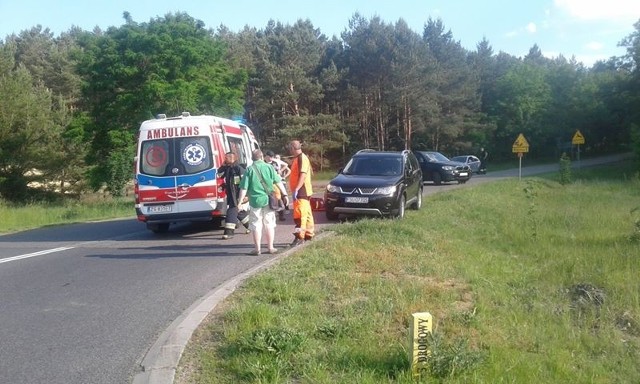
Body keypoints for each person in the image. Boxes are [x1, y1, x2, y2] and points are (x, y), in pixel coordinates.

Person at [237, 149, 285, 255]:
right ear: (262, 157)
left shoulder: (249, 170)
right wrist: (284, 194)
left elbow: (243, 188)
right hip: (268, 200)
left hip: (255, 201)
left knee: (256, 224)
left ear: (252, 158)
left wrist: (240, 202)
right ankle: (270, 247)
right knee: (269, 223)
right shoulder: (269, 167)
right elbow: (278, 182)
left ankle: (257, 249)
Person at [217, 152, 251, 239]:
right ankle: (251, 226)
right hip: (231, 194)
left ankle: (229, 232)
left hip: (238, 194)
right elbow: (219, 175)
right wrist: (223, 166)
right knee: (239, 213)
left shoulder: (239, 168)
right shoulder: (228, 168)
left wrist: (245, 195)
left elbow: (245, 183)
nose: (225, 159)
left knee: (231, 211)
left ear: (233, 158)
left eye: (227, 157)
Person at [287, 140, 315, 247]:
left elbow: (302, 175)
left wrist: (297, 189)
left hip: (302, 191)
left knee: (300, 215)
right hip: (302, 190)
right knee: (307, 214)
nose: (290, 150)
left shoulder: (301, 158)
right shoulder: (298, 158)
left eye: (290, 148)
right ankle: (309, 234)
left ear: (293, 148)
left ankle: (299, 237)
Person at [264, 150, 290, 221]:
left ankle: (281, 214)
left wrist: (280, 171)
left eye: (272, 157)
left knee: (278, 197)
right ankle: (270, 213)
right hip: (267, 183)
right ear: (266, 156)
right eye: (270, 157)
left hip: (275, 182)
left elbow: (285, 165)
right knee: (269, 199)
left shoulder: (275, 162)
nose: (271, 158)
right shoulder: (263, 163)